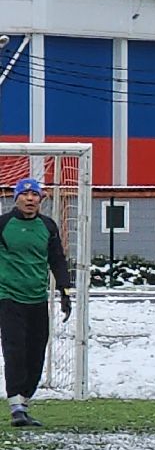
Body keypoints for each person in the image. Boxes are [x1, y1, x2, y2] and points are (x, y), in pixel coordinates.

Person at [0, 178, 72, 427]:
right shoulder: (4, 225)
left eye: (35, 195)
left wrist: (64, 290)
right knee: (15, 350)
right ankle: (16, 406)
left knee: (36, 352)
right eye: (25, 194)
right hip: (8, 297)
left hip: (37, 299)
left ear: (42, 199)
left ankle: (25, 401)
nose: (30, 199)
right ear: (15, 198)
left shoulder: (48, 226)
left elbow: (57, 259)